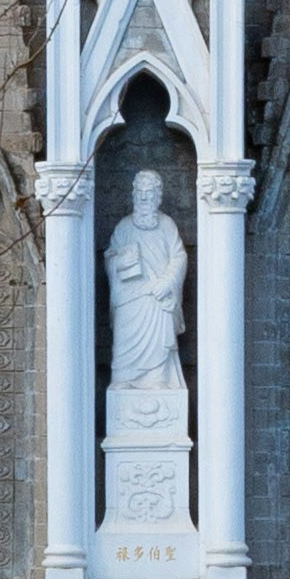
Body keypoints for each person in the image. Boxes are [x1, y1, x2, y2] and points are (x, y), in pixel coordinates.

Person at [105, 168, 186, 404]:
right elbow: (110, 258)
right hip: (130, 299)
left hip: (157, 297)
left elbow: (179, 257)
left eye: (148, 192)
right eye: (139, 191)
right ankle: (124, 379)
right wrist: (122, 261)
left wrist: (167, 282)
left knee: (160, 342)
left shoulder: (167, 225)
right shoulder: (124, 227)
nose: (143, 197)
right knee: (124, 342)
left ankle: (159, 379)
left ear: (158, 196)